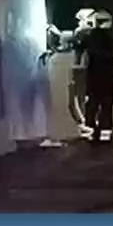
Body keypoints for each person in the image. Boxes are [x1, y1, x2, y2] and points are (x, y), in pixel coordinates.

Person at [42, 8, 95, 136]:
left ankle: (87, 126)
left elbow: (69, 37)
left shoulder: (85, 32)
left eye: (80, 20)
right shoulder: (87, 34)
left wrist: (54, 31)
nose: (78, 23)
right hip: (82, 69)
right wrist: (54, 50)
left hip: (81, 70)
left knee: (76, 100)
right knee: (78, 100)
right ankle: (87, 126)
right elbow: (68, 45)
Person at [80, 9, 113, 144]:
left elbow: (80, 52)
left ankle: (91, 134)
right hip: (109, 79)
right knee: (107, 107)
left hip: (93, 80)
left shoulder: (89, 39)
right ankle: (105, 136)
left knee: (92, 106)